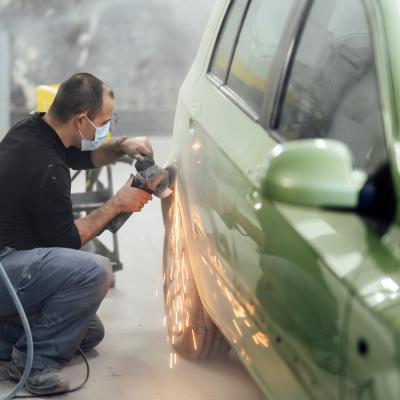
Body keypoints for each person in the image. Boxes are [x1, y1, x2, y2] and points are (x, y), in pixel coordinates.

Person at [0, 73, 153, 395]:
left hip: (13, 261)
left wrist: (122, 146)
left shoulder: (34, 129)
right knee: (93, 270)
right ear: (82, 119)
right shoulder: (45, 167)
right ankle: (33, 364)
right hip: (6, 269)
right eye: (105, 122)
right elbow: (66, 242)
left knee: (88, 333)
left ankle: (5, 339)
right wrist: (117, 204)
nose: (107, 128)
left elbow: (79, 156)